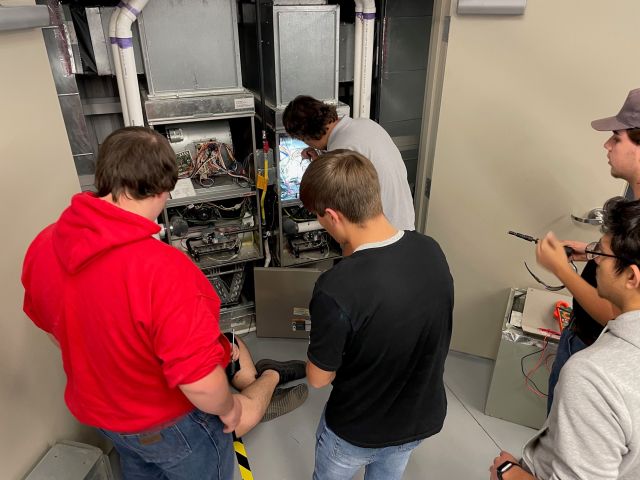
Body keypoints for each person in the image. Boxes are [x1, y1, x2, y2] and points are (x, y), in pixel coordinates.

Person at [21, 126, 306, 479]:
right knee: (238, 402)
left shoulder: (45, 244)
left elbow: (54, 328)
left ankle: (263, 377)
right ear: (162, 191)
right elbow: (200, 384)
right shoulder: (165, 271)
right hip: (171, 425)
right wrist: (229, 407)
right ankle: (272, 377)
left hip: (104, 416)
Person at [299, 149, 453, 480]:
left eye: (318, 217)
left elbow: (317, 378)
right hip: (417, 421)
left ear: (332, 215)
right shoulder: (430, 250)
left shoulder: (336, 288)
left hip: (356, 431)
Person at [490, 196, 640, 480]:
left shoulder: (592, 377)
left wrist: (509, 473)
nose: (594, 261)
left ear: (632, 277)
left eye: (602, 255)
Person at [535, 88, 640, 413]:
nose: (606, 145)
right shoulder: (631, 202)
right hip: (581, 334)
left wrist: (561, 269)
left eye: (616, 137)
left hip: (593, 343)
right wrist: (591, 251)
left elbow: (618, 313)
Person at [283, 95, 416, 234]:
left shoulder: (341, 148)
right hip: (404, 222)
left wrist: (319, 168)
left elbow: (336, 203)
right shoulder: (365, 124)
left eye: (303, 140)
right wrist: (321, 159)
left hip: (382, 236)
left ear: (307, 135)